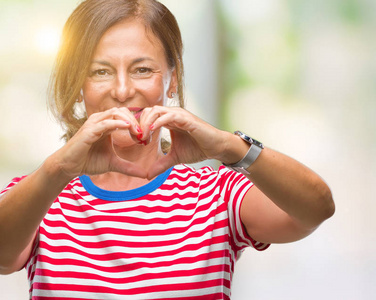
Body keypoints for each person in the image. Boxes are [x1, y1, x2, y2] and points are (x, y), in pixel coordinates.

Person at [0, 0, 334, 299]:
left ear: (171, 81)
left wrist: (229, 145)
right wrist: (57, 170)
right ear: (78, 86)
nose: (121, 89)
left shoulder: (215, 195)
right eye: (100, 71)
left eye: (142, 69)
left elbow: (316, 208)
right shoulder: (40, 195)